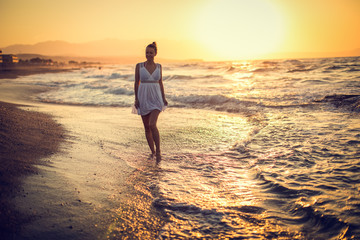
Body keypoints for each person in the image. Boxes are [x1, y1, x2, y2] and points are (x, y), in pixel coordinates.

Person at [134, 42, 168, 161]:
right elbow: (136, 82)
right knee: (147, 128)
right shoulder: (139, 66)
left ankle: (158, 150)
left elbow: (161, 83)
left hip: (156, 98)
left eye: (151, 53)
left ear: (155, 54)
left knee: (152, 124)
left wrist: (163, 98)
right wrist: (136, 98)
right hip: (143, 97)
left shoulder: (159, 67)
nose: (148, 54)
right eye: (147, 52)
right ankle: (152, 152)